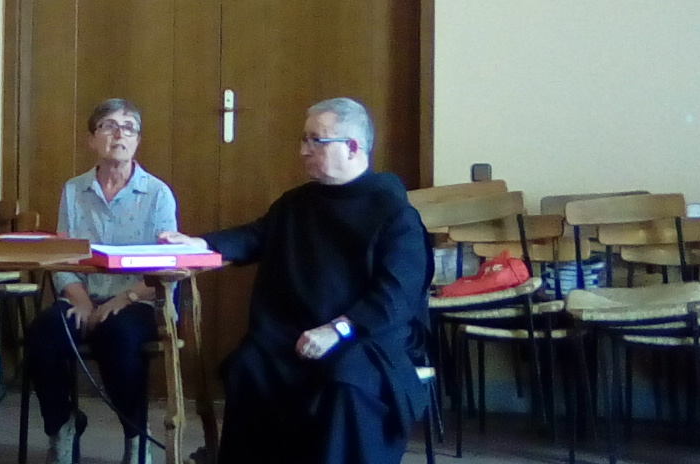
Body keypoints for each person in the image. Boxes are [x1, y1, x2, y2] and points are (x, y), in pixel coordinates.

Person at [161, 97, 431, 464]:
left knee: (346, 382)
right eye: (303, 139)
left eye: (315, 140)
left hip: (365, 339)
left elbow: (396, 296)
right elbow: (256, 236)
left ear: (352, 147)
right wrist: (202, 244)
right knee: (249, 366)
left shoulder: (394, 213)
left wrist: (338, 330)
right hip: (294, 334)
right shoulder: (296, 203)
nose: (303, 150)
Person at [27, 98, 178, 464]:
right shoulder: (73, 190)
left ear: (138, 140)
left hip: (138, 300)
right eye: (108, 126)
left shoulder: (157, 194)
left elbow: (166, 266)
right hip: (82, 295)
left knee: (117, 336)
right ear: (91, 140)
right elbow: (63, 256)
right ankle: (62, 425)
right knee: (43, 334)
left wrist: (123, 300)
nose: (119, 135)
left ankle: (135, 435)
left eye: (128, 128)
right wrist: (80, 299)